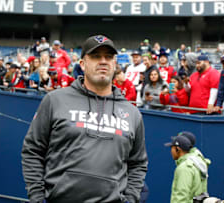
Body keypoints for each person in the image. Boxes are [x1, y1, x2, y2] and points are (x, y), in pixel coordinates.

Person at [21, 34, 148, 203]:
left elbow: (138, 164)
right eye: (96, 56)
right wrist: (37, 197)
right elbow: (33, 151)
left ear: (114, 63)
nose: (103, 61)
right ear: (82, 64)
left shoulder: (132, 113)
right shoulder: (55, 100)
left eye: (108, 57)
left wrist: (131, 199)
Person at [164, 135, 210, 203]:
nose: (171, 151)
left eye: (172, 147)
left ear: (178, 149)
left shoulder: (184, 168)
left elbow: (181, 196)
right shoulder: (197, 163)